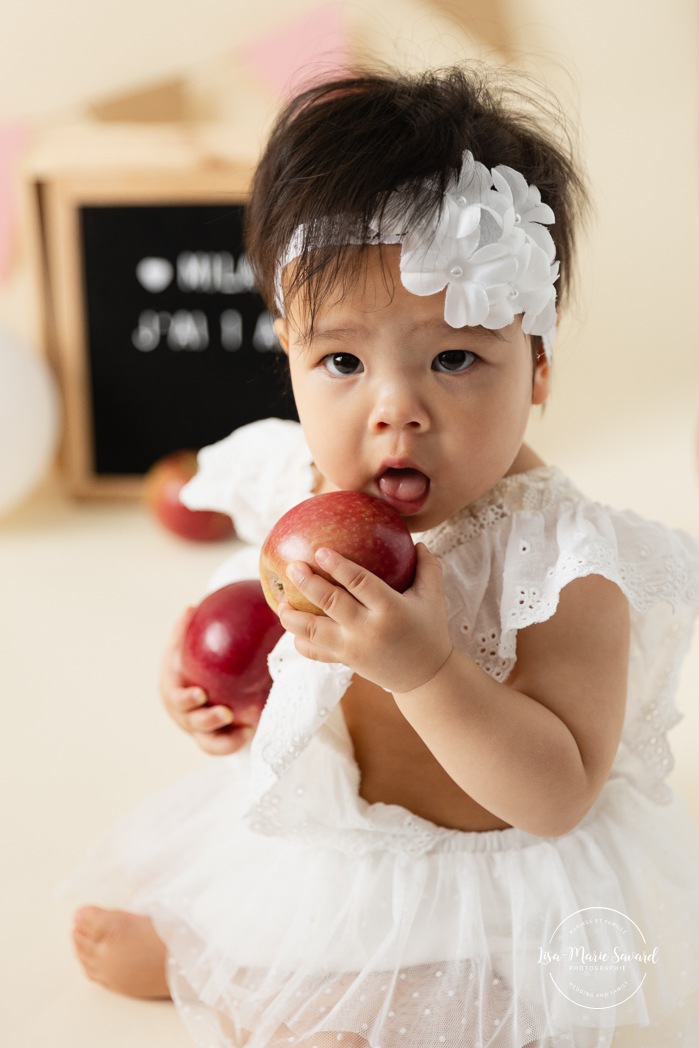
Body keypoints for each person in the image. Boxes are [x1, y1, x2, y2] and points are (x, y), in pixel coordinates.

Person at [70, 66, 699, 1047]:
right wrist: (213, 691)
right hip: (343, 846)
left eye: (454, 358)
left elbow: (557, 797)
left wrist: (431, 668)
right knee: (263, 900)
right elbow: (276, 639)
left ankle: (259, 986)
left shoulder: (563, 562)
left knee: (445, 1011)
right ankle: (231, 957)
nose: (394, 407)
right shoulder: (302, 492)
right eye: (342, 362)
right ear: (287, 350)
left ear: (537, 365)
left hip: (488, 891)